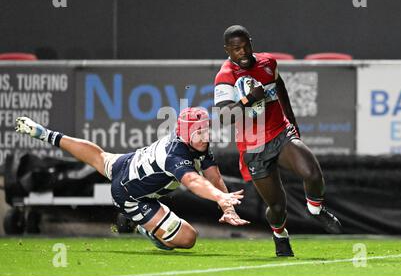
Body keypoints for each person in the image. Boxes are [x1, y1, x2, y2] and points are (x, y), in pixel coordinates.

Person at [15, 107, 249, 250]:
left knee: (100, 157)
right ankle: (144, 228)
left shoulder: (198, 144)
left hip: (127, 163)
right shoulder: (175, 155)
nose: (205, 136)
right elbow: (194, 182)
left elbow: (213, 175)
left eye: (206, 130)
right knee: (188, 239)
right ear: (186, 134)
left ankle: (45, 133)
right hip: (130, 196)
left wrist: (225, 206)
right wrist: (220, 196)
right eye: (199, 132)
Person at [214, 25, 341, 257]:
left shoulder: (268, 62)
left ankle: (315, 209)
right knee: (277, 206)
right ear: (227, 50)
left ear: (251, 43)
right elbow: (224, 117)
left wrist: (291, 120)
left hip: (280, 132)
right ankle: (280, 236)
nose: (241, 52)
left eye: (245, 46)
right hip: (253, 146)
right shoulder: (225, 76)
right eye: (235, 49)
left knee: (312, 173)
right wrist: (249, 100)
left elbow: (279, 85)